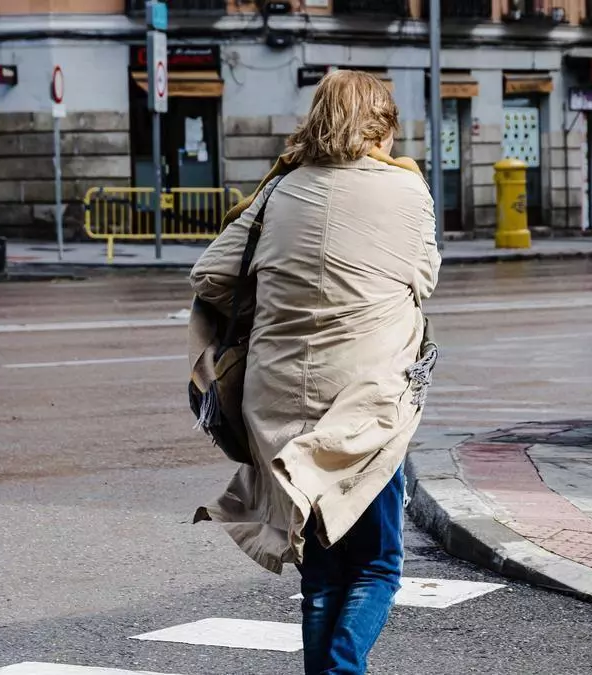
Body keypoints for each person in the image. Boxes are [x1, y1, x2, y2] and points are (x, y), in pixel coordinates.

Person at [189, 70, 441, 674]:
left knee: (323, 571)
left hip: (278, 402)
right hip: (364, 402)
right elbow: (425, 278)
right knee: (377, 564)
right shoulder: (406, 190)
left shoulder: (280, 189)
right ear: (381, 125)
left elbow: (211, 276)